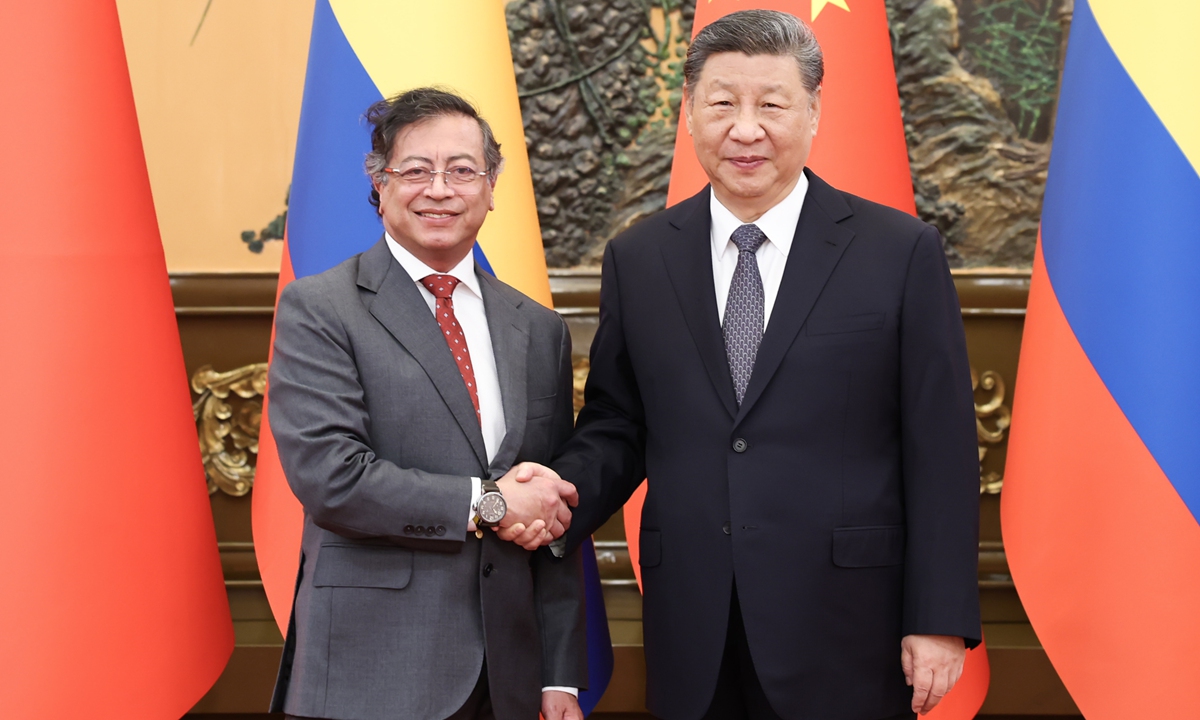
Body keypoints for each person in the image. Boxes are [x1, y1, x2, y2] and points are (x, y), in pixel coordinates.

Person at [548, 10, 980, 720]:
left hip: (847, 623)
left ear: (813, 113)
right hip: (694, 621)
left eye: (771, 105)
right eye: (722, 104)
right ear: (690, 116)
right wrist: (555, 492)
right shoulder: (641, 256)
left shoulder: (898, 251)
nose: (745, 129)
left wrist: (937, 617)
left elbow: (940, 447)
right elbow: (619, 424)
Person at [266, 87, 587, 720]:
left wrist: (560, 677)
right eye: (416, 170)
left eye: (462, 170)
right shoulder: (321, 309)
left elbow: (549, 510)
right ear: (380, 185)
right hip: (374, 670)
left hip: (510, 680)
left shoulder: (538, 328)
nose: (439, 188)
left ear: (492, 187)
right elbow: (332, 479)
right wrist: (488, 502)